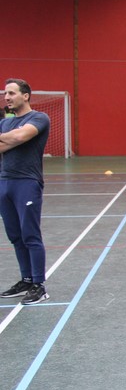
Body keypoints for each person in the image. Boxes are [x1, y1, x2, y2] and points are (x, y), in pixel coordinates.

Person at [0, 79, 51, 305]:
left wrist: (14, 138)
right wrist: (11, 138)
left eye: (11, 93)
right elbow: (5, 144)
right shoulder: (5, 123)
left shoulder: (39, 118)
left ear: (26, 95)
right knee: (15, 235)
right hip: (5, 182)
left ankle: (39, 285)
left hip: (27, 182)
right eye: (5, 94)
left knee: (30, 234)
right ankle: (26, 279)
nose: (7, 97)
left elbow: (20, 137)